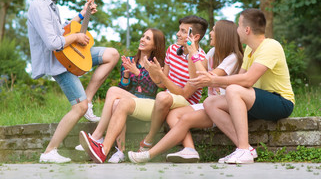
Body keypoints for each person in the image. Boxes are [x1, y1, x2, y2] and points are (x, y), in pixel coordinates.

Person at [79, 15, 208, 163]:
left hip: (183, 105)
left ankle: (146, 140)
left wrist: (157, 75)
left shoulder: (201, 60)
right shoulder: (172, 50)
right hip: (164, 102)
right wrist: (153, 73)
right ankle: (102, 148)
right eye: (179, 30)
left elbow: (184, 94)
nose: (178, 34)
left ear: (195, 36)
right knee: (119, 98)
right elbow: (161, 85)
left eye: (184, 31)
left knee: (163, 97)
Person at [27, 0, 119, 163]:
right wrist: (77, 37)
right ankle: (49, 152)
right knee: (79, 108)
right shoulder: (38, 6)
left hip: (69, 54)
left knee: (112, 54)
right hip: (59, 62)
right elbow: (53, 43)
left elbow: (62, 32)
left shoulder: (51, 4)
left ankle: (89, 99)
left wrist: (83, 13)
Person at [127, 20, 245, 163]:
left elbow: (205, 78)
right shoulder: (213, 52)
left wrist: (193, 52)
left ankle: (149, 154)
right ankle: (189, 150)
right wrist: (155, 71)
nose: (211, 34)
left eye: (214, 31)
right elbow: (194, 76)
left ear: (223, 35)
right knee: (173, 115)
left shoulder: (232, 58)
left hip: (222, 108)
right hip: (210, 104)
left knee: (183, 117)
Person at [189, 8, 295, 164]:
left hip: (281, 102)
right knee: (210, 102)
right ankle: (244, 148)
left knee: (233, 89)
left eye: (238, 25)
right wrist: (211, 77)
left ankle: (243, 149)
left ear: (247, 30)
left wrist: (213, 81)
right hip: (256, 101)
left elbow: (247, 80)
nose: (236, 30)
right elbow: (237, 78)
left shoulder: (271, 46)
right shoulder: (249, 51)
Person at [76, 28, 166, 163]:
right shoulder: (130, 61)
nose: (142, 39)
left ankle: (97, 136)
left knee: (112, 91)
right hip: (130, 101)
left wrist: (138, 73)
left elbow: (152, 88)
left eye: (148, 38)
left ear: (155, 45)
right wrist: (126, 75)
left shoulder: (156, 65)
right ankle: (120, 151)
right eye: (143, 36)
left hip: (148, 102)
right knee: (117, 102)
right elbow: (123, 88)